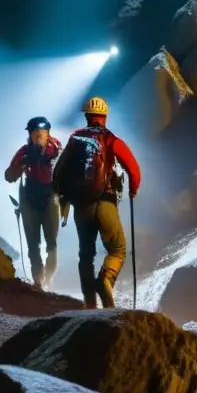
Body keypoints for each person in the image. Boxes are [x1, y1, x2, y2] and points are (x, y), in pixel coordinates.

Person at [53, 97, 140, 308]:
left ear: (86, 116)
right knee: (117, 249)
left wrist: (64, 197)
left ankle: (89, 304)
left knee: (86, 255)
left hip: (82, 205)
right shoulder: (112, 140)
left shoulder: (75, 138)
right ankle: (105, 280)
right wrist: (132, 190)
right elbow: (134, 170)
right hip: (106, 203)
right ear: (105, 117)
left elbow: (58, 173)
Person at [4, 117, 63, 290]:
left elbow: (64, 169)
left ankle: (49, 279)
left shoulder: (56, 150)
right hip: (30, 197)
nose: (38, 137)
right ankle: (38, 280)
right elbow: (8, 176)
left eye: (42, 134)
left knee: (51, 240)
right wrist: (22, 165)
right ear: (30, 135)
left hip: (49, 196)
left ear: (48, 134)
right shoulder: (24, 152)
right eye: (35, 134)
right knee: (32, 242)